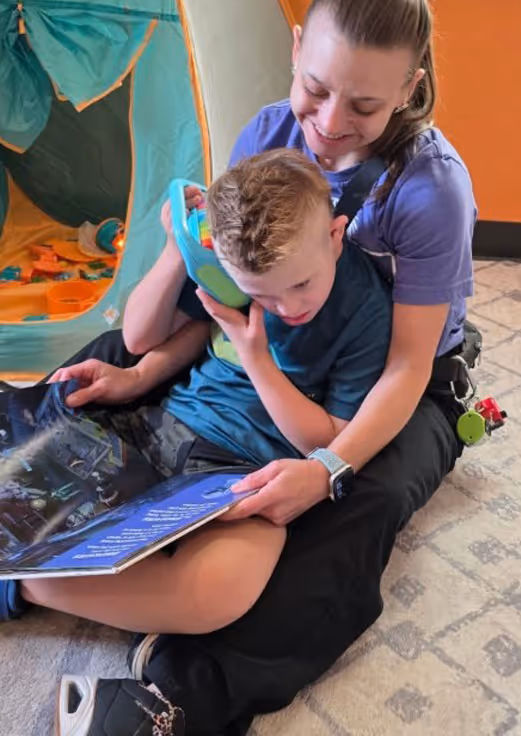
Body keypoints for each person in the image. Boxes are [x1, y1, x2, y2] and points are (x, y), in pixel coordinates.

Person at [5, 0, 477, 736]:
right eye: (316, 89)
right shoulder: (268, 133)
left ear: (410, 87)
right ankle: (29, 533)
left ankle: (179, 697)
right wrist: (148, 367)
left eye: (364, 105)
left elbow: (407, 364)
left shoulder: (431, 191)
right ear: (295, 50)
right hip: (254, 350)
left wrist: (326, 470)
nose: (327, 124)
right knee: (97, 371)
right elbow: (231, 297)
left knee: (367, 502)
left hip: (393, 371)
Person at [0, 149, 392, 735]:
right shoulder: (239, 272)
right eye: (261, 295)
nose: (286, 306)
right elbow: (181, 334)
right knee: (33, 465)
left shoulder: (363, 309)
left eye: (300, 285)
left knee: (221, 592)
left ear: (336, 235)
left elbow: (325, 441)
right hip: (157, 425)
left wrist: (258, 357)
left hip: (243, 468)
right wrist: (137, 365)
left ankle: (22, 583)